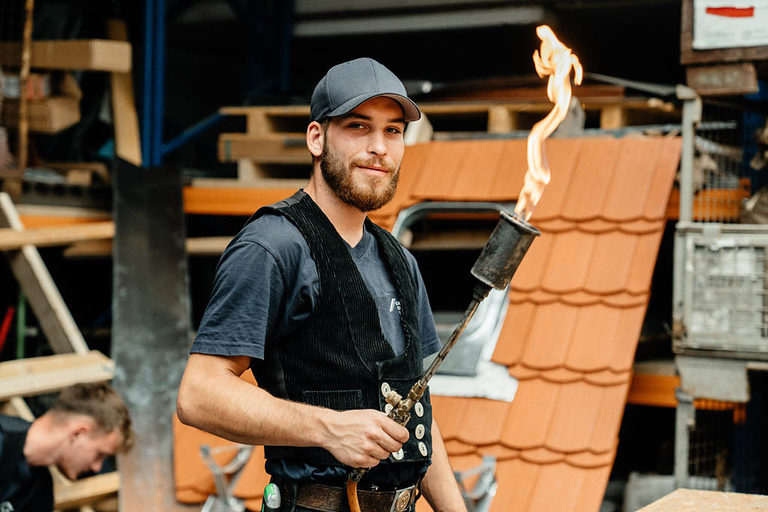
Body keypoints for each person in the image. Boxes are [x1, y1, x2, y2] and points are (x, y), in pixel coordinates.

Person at [178, 57, 467, 512]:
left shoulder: (401, 262)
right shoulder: (273, 247)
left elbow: (418, 417)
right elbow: (199, 394)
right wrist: (329, 428)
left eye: (393, 131)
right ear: (316, 138)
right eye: (358, 126)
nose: (379, 148)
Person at [0, 382, 133, 512]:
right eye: (100, 454)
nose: (96, 467)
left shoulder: (39, 489)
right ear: (79, 433)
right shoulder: (3, 439)